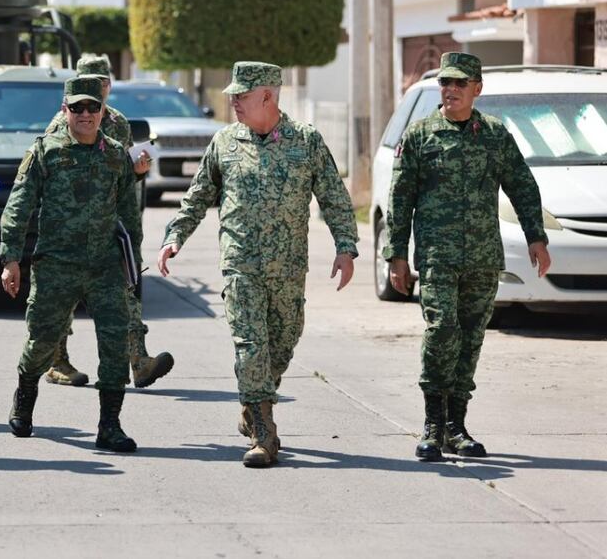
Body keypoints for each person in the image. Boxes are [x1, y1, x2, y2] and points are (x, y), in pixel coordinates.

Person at [157, 61, 358, 468]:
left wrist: (346, 246)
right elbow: (197, 196)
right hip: (240, 265)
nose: (233, 103)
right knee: (251, 348)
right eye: (232, 96)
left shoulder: (306, 141)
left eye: (241, 96)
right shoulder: (225, 143)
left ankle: (253, 404)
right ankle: (265, 434)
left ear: (267, 96)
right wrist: (174, 237)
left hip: (288, 267)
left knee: (283, 342)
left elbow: (334, 197)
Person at [384, 52, 551, 462]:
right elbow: (400, 199)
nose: (451, 90)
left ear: (477, 89)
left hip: (481, 257)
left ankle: (456, 427)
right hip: (438, 256)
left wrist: (536, 237)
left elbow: (522, 186)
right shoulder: (421, 135)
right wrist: (396, 255)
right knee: (442, 331)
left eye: (460, 83)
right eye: (446, 83)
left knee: (471, 340)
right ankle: (431, 425)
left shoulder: (494, 135)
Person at [1, 76, 142, 453]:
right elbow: (20, 205)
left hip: (105, 266)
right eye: (76, 107)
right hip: (56, 266)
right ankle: (25, 394)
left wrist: (134, 263)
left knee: (114, 344)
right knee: (42, 341)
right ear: (65, 110)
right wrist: (11, 258)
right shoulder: (46, 152)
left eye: (92, 107)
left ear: (102, 112)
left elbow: (129, 211)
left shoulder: (115, 154)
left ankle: (109, 426)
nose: (84, 114)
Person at [42, 55, 174, 390]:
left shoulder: (118, 122)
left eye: (102, 80)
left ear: (109, 84)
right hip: (72, 228)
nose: (97, 86)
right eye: (89, 79)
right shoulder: (62, 122)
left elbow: (122, 174)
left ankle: (139, 362)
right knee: (64, 299)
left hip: (113, 227)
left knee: (126, 292)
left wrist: (138, 171)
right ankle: (56, 361)